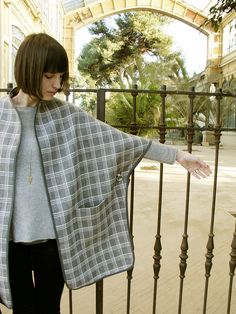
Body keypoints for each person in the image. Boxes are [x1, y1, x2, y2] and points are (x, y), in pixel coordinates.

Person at [0, 33, 211, 314]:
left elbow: (119, 141)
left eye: (61, 76)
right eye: (50, 75)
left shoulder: (66, 116)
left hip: (53, 241)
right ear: (28, 69)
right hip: (9, 241)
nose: (57, 85)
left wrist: (177, 156)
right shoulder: (1, 116)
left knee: (49, 310)